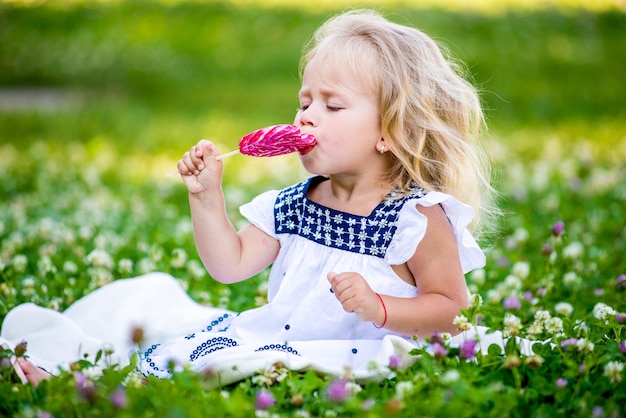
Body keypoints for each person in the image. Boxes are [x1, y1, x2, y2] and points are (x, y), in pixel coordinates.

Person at [3, 9, 495, 387]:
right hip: (279, 341)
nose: (305, 116)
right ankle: (90, 382)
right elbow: (230, 265)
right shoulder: (295, 204)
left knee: (227, 367)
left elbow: (453, 310)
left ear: (390, 132)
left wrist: (381, 308)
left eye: (332, 105)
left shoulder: (415, 218)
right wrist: (206, 199)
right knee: (202, 353)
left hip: (363, 352)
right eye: (304, 101)